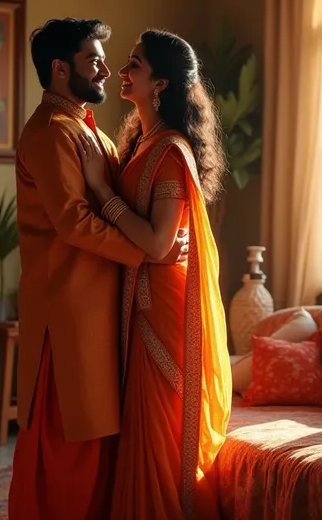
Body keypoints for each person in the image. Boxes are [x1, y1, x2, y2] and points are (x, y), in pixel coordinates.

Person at [8, 18, 188, 520]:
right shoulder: (51, 132)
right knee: (67, 445)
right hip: (68, 310)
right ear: (60, 69)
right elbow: (73, 222)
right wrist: (149, 252)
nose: (107, 69)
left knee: (96, 441)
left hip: (99, 304)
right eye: (93, 60)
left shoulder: (86, 128)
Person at [77, 28, 232, 520]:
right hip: (138, 300)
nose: (123, 72)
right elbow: (149, 240)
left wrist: (102, 192)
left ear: (160, 83)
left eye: (135, 64)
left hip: (163, 311)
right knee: (137, 430)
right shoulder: (141, 143)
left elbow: (160, 244)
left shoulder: (170, 153)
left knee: (157, 435)